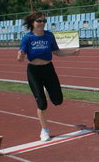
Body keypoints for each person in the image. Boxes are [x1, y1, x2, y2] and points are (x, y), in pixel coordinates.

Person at [17, 11, 79, 141]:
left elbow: (56, 52)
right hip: (34, 71)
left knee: (58, 100)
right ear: (32, 23)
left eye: (44, 21)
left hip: (48, 69)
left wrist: (71, 53)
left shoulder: (49, 36)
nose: (42, 23)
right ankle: (44, 130)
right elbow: (20, 58)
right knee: (42, 103)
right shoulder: (28, 38)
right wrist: (20, 56)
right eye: (39, 21)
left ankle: (47, 89)